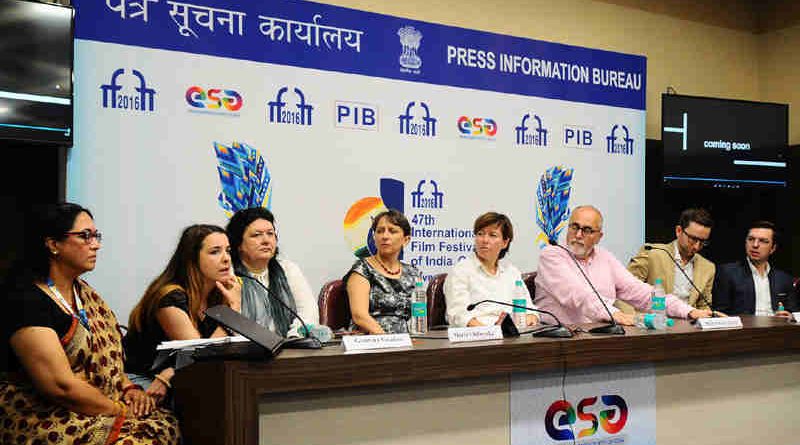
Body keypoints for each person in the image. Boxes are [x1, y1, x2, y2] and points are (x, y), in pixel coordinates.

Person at [0, 203, 179, 444]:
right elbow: (60, 386)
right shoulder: (25, 299)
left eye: (96, 236)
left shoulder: (84, 294)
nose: (96, 244)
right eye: (85, 236)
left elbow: (108, 366)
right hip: (42, 415)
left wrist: (129, 390)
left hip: (93, 406)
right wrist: (121, 411)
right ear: (53, 244)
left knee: (165, 423)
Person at [534, 205, 713, 326]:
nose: (578, 234)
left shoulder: (605, 258)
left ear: (599, 236)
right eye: (574, 227)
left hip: (604, 338)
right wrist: (616, 314)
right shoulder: (552, 255)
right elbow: (578, 295)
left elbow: (641, 293)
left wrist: (688, 311)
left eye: (587, 230)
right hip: (560, 341)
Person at [124, 224, 241, 403]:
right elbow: (198, 354)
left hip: (176, 375)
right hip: (141, 380)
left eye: (228, 251)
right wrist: (232, 311)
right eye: (215, 252)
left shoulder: (219, 295)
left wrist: (171, 372)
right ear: (192, 259)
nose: (226, 259)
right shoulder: (170, 297)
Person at [226, 207, 319, 336]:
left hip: (289, 347)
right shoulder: (229, 274)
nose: (266, 240)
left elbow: (308, 313)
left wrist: (294, 338)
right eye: (256, 235)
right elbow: (231, 325)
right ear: (239, 244)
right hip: (246, 350)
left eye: (270, 233)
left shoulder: (287, 269)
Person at [444, 212, 539, 327]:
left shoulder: (511, 273)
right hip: (476, 338)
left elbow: (530, 311)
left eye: (492, 235)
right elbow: (458, 315)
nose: (484, 240)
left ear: (505, 242)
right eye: (480, 234)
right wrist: (491, 332)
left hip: (511, 337)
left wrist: (529, 319)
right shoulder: (461, 271)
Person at [345, 209, 422, 334]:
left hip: (407, 342)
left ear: (406, 240)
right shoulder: (362, 269)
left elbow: (419, 315)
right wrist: (387, 340)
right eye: (380, 231)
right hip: (372, 340)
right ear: (374, 237)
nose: (385, 236)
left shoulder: (413, 273)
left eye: (392, 231)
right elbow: (360, 316)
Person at [624, 208, 715, 312]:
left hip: (690, 325)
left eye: (703, 242)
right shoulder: (652, 253)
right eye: (693, 239)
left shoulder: (708, 267)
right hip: (654, 323)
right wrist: (632, 321)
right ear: (679, 231)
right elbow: (625, 291)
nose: (697, 246)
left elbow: (704, 305)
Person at [713, 221, 798, 317]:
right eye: (751, 239)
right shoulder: (727, 273)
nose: (755, 245)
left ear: (773, 248)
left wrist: (789, 316)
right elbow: (719, 313)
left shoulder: (784, 279)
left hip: (776, 330)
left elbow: (794, 313)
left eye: (763, 241)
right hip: (744, 330)